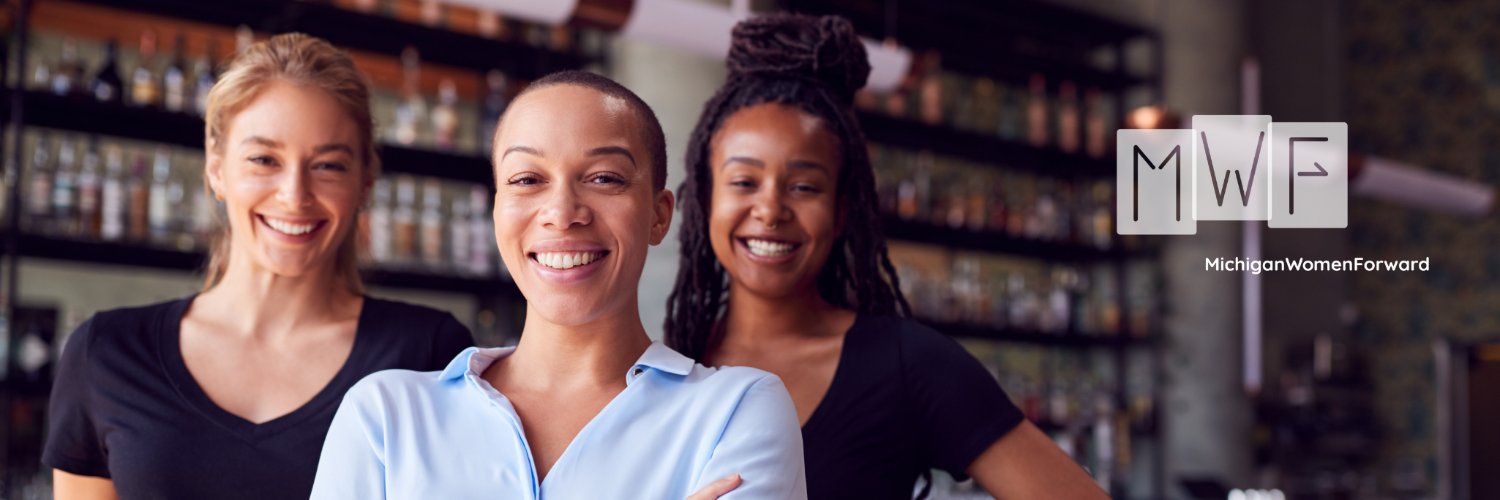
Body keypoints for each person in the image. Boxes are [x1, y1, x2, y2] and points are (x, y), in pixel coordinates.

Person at [665, 14, 1109, 500]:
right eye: (744, 182)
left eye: (804, 186)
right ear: (705, 200)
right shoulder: (669, 369)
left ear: (841, 212)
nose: (770, 210)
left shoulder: (907, 363)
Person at [310, 70, 805, 499]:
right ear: (495, 209)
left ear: (659, 215)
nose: (563, 213)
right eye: (527, 179)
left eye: (605, 178)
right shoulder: (385, 416)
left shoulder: (737, 411)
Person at [43, 33, 473, 500]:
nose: (294, 194)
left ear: (365, 180)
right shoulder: (106, 353)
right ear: (216, 169)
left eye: (328, 165)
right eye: (264, 159)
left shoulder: (431, 354)